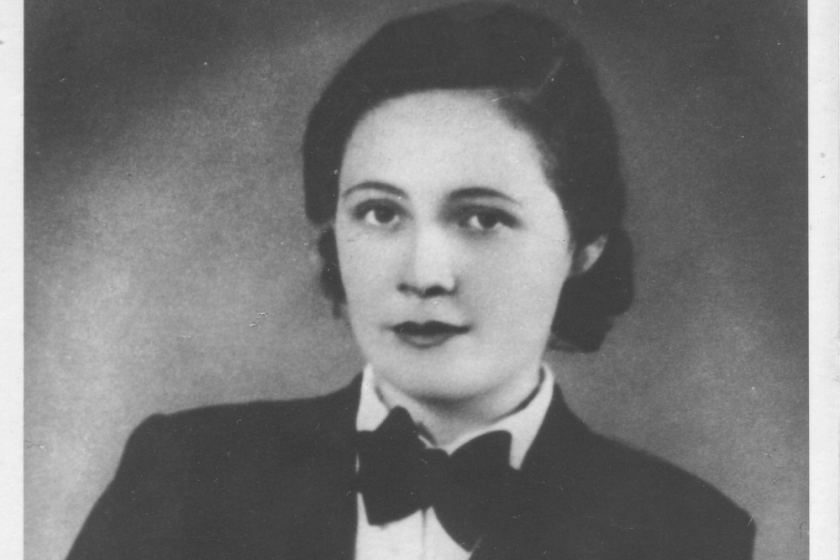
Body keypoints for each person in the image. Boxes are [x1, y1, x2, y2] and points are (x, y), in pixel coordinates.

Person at [67, 3, 755, 559]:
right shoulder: (184, 475)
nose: (423, 275)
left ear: (584, 247)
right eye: (380, 212)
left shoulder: (687, 534)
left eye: (482, 218)